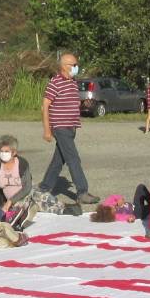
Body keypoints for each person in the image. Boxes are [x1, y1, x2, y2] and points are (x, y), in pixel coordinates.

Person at [38, 51, 97, 204]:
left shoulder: (72, 82)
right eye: (74, 65)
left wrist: (84, 105)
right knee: (73, 159)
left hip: (71, 127)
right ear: (64, 66)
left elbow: (72, 104)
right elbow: (45, 105)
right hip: (61, 127)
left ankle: (43, 189)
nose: (76, 67)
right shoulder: (55, 82)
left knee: (58, 161)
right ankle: (82, 192)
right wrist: (47, 130)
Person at [0, 135, 33, 214]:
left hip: (25, 198)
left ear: (14, 152)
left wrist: (11, 201)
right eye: (1, 151)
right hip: (8, 203)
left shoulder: (22, 163)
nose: (3, 154)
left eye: (6, 151)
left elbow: (27, 187)